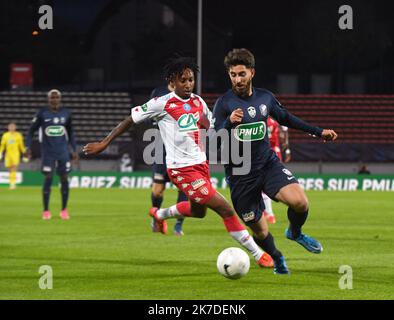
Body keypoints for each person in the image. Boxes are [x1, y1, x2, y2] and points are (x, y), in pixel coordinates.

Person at [83, 56, 274, 269]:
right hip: (181, 170)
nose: (188, 84)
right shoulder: (162, 103)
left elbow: (210, 131)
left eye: (191, 79)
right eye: (183, 80)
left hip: (201, 166)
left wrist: (227, 128)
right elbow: (130, 119)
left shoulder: (198, 102)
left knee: (198, 212)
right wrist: (103, 142)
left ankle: (159, 214)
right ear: (172, 81)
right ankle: (258, 254)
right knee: (225, 209)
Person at [213, 48, 338, 274]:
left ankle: (295, 233)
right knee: (260, 231)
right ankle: (277, 258)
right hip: (241, 176)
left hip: (268, 165)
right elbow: (214, 142)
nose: (237, 79)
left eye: (242, 74)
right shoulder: (224, 104)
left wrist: (318, 132)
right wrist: (228, 123)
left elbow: (287, 119)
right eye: (233, 75)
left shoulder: (265, 98)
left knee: (300, 202)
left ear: (252, 72)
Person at [25, 89, 79, 220]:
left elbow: (71, 133)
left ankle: (64, 210)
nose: (54, 99)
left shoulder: (66, 113)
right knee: (48, 178)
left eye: (56, 97)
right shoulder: (42, 113)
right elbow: (31, 131)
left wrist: (74, 149)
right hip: (48, 152)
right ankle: (46, 211)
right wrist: (28, 146)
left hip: (63, 152)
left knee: (64, 179)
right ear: (48, 99)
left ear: (60, 99)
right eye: (52, 97)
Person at [149, 82, 188, 236]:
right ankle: (156, 218)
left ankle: (178, 225)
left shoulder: (186, 95)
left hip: (181, 151)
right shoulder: (158, 92)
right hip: (161, 149)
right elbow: (148, 115)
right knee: (158, 190)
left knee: (183, 188)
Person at [262, 117, 291, 224]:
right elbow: (284, 132)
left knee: (263, 184)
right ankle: (268, 212)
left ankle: (268, 213)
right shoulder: (274, 120)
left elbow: (284, 131)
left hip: (267, 153)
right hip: (273, 152)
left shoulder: (260, 120)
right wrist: (287, 150)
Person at [0, 122, 27, 189]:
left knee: (14, 167)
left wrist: (25, 154)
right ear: (8, 128)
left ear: (15, 127)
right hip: (8, 155)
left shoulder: (18, 135)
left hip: (15, 154)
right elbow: (2, 145)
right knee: (10, 168)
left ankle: (12, 184)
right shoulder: (5, 135)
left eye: (13, 126)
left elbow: (21, 145)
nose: (11, 128)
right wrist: (0, 152)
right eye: (10, 127)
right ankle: (12, 182)